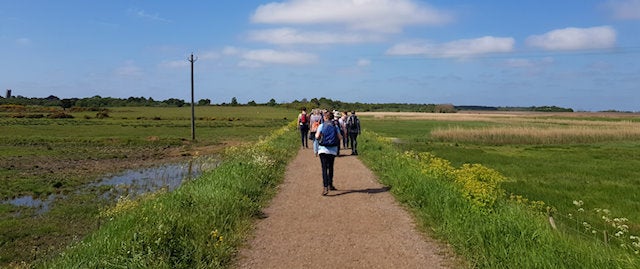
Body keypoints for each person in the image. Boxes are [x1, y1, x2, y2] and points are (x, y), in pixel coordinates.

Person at [316, 112, 342, 195]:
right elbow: (340, 137)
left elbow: (316, 136)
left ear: (325, 117)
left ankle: (325, 187)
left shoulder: (321, 125)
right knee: (330, 167)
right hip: (332, 150)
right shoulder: (335, 126)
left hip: (322, 149)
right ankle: (331, 184)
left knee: (324, 168)